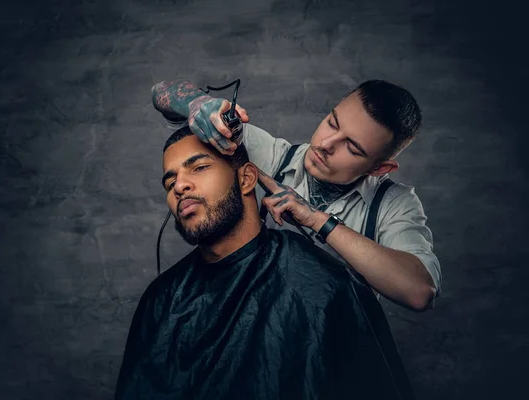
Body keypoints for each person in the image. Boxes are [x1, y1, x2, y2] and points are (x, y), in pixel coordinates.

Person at [114, 126, 415, 400]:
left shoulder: (325, 286)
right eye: (170, 182)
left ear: (246, 178)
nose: (179, 186)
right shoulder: (162, 299)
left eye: (199, 167)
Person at [150, 79, 441, 311]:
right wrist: (199, 104)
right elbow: (161, 91)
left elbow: (418, 293)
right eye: (332, 122)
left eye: (351, 148)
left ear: (380, 168)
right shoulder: (267, 154)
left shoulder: (394, 205)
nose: (325, 144)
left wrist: (318, 221)